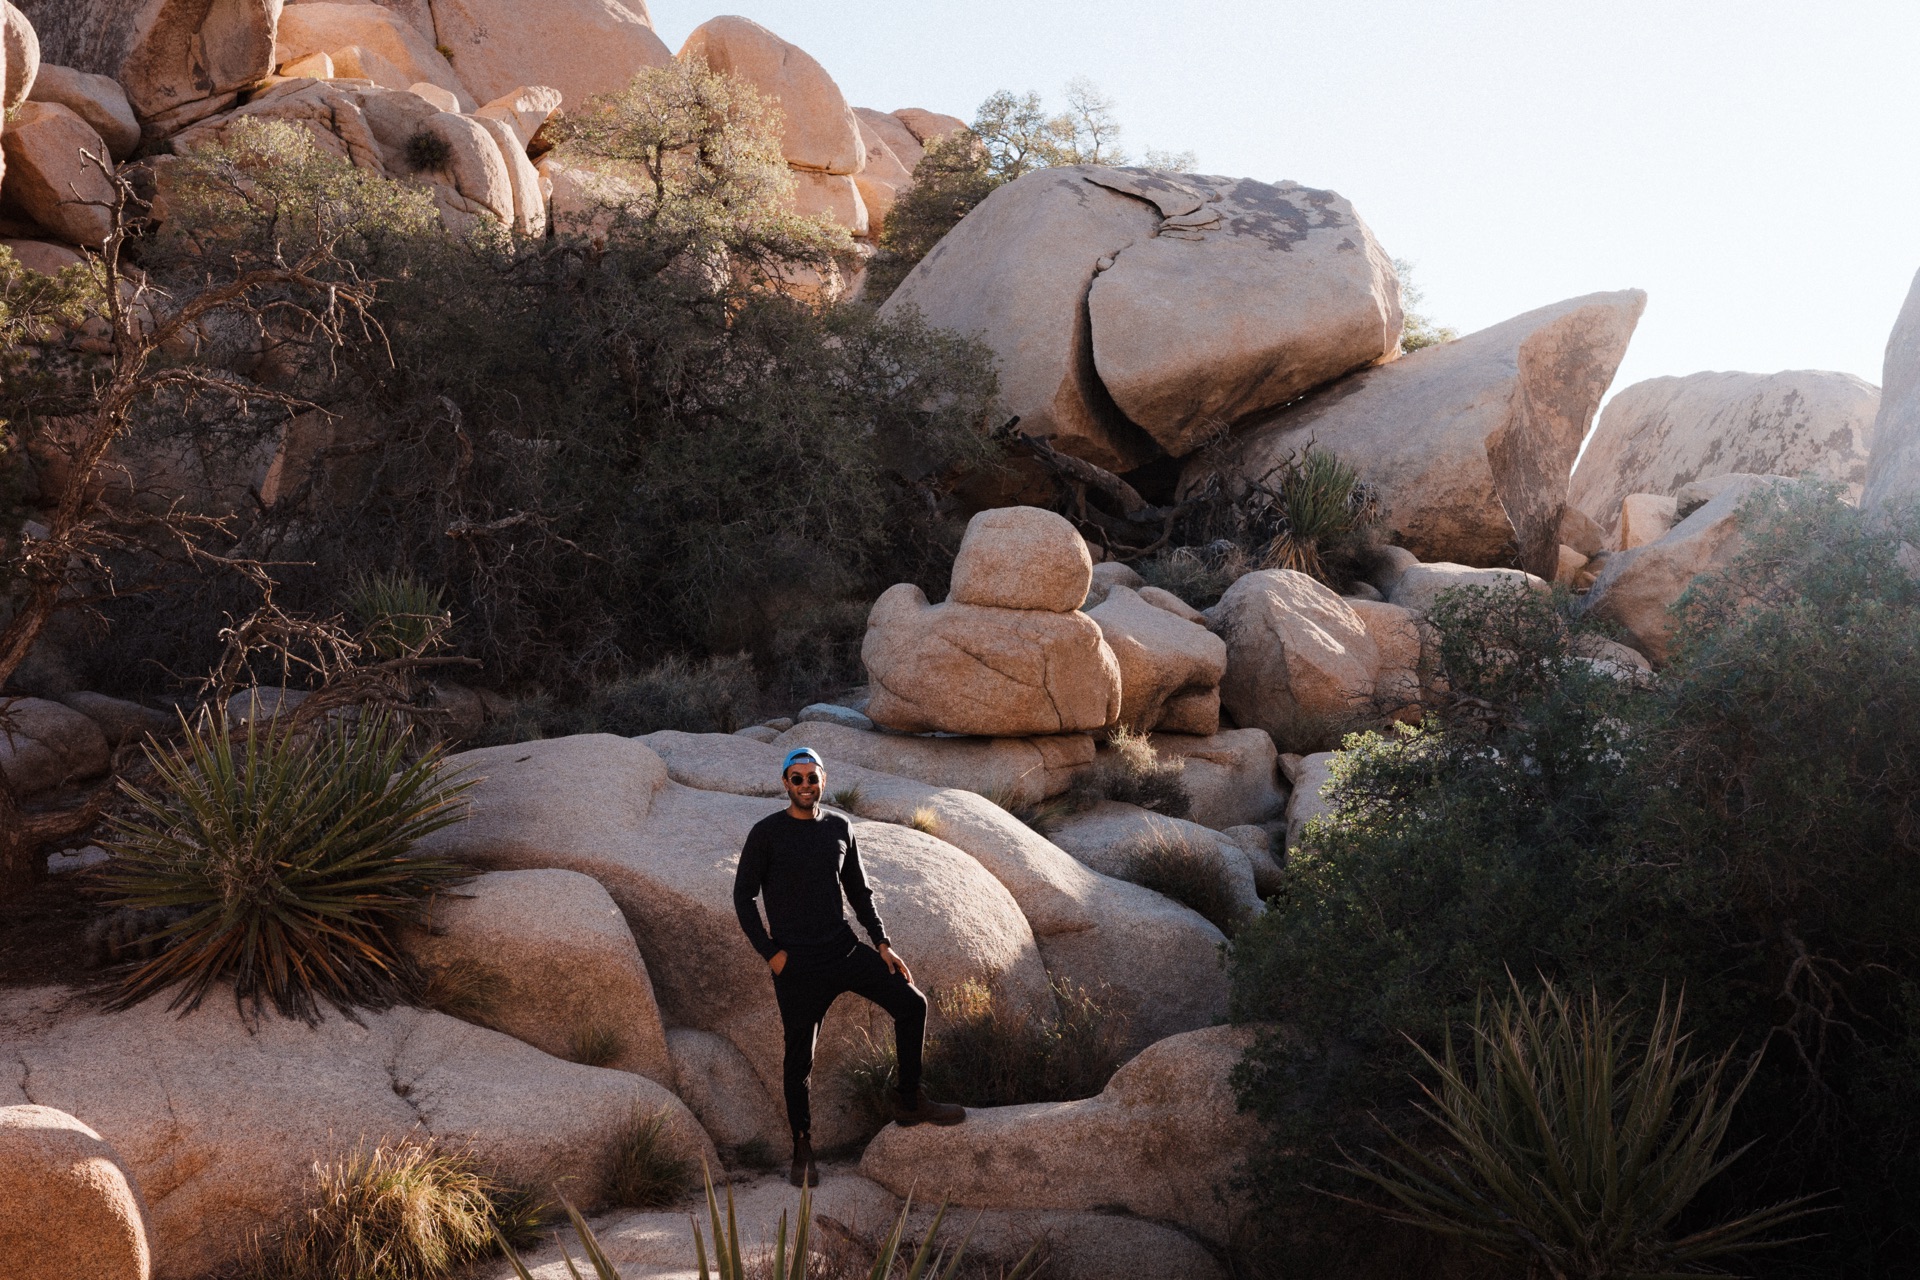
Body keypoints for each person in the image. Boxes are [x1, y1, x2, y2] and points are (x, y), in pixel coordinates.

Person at [733, 746, 965, 1186]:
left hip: (843, 952)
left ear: (824, 780)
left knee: (912, 1004)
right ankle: (802, 1145)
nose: (805, 785)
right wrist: (771, 953)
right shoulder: (766, 833)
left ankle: (909, 1100)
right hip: (796, 967)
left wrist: (882, 943)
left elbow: (858, 891)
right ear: (785, 783)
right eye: (797, 778)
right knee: (799, 1060)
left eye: (812, 777)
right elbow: (743, 897)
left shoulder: (839, 827)